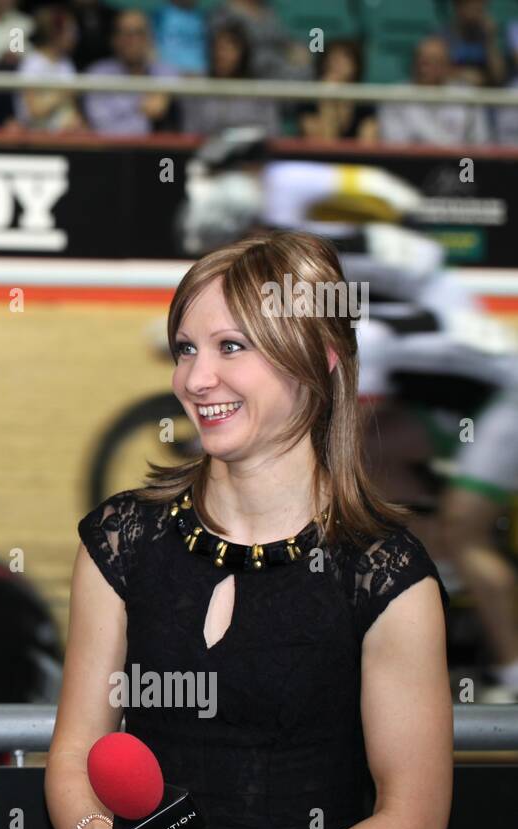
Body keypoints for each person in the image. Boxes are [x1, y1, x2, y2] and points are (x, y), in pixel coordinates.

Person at [49, 230, 454, 829]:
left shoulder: (386, 577)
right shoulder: (119, 540)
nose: (194, 379)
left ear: (318, 357)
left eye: (230, 347)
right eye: (186, 349)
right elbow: (75, 756)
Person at [179, 131, 518, 704]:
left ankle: (512, 678)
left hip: (496, 395)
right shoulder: (307, 268)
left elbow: (333, 421)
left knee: (460, 527)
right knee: (374, 462)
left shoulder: (348, 316)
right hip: (443, 362)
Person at [378, 36, 491, 146]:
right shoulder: (394, 96)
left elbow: (480, 143)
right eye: (421, 61)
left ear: (447, 65)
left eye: (432, 62)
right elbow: (395, 146)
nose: (423, 68)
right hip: (410, 163)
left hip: (460, 163)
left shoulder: (467, 96)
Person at [83, 9, 177, 136]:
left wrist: (164, 94)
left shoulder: (160, 70)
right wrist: (142, 113)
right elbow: (103, 130)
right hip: (112, 152)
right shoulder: (98, 74)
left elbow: (172, 76)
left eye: (138, 33)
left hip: (160, 153)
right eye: (125, 33)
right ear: (114, 39)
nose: (132, 41)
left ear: (149, 38)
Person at [179, 20, 279, 137]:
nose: (221, 54)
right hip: (207, 151)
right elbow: (190, 131)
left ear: (243, 52)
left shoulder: (260, 91)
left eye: (229, 49)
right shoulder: (199, 88)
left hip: (251, 153)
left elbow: (272, 132)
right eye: (219, 48)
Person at [15, 3, 82, 131]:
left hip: (67, 134)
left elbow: (72, 108)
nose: (74, 37)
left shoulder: (66, 63)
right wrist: (63, 93)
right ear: (55, 33)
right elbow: (33, 110)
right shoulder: (32, 63)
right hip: (37, 135)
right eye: (70, 31)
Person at [298, 41, 378, 144]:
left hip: (353, 159)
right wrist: (327, 97)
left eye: (344, 57)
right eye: (332, 57)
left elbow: (367, 146)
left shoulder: (364, 103)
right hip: (316, 159)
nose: (337, 62)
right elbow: (324, 144)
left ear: (356, 65)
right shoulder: (308, 99)